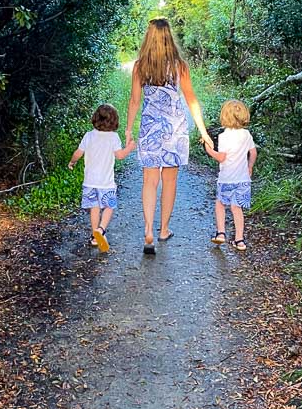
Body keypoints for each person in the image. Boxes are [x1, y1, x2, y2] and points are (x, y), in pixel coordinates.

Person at [126, 18, 213, 255]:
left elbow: (135, 101)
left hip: (149, 130)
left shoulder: (140, 66)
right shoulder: (180, 66)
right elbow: (191, 99)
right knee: (170, 181)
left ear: (149, 38)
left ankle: (148, 230)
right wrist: (204, 131)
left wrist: (128, 130)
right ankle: (164, 229)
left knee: (149, 181)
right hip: (175, 131)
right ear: (169, 38)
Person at [68, 104, 135, 252]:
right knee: (109, 206)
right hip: (106, 183)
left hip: (90, 182)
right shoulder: (113, 137)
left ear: (95, 119)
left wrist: (72, 162)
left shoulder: (89, 135)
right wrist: (130, 147)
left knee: (95, 208)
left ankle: (94, 236)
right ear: (114, 121)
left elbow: (78, 153)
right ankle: (101, 229)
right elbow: (120, 155)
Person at [204, 99, 257, 251]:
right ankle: (239, 240)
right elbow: (253, 153)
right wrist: (250, 166)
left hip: (226, 178)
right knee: (237, 208)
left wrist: (209, 150)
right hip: (243, 180)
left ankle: (221, 233)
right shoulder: (246, 135)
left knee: (220, 203)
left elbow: (221, 157)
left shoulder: (224, 136)